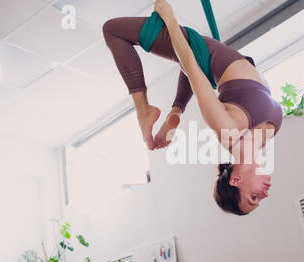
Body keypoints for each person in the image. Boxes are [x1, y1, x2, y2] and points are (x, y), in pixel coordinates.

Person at [103, 0, 282, 215]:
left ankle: (143, 111)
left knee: (112, 30)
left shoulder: (228, 133)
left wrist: (169, 18)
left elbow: (189, 63)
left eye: (253, 198)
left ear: (236, 179)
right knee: (196, 70)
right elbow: (195, 71)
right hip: (213, 61)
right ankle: (174, 110)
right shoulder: (260, 141)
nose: (265, 195)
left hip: (204, 54)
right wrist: (177, 110)